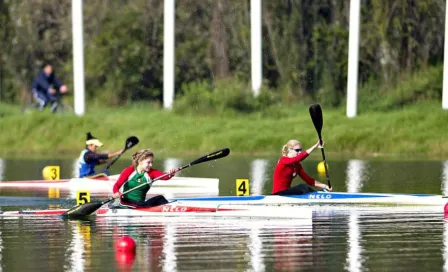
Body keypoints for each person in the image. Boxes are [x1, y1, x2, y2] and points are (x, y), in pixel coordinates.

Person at [112, 149, 179, 208]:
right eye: (148, 162)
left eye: (151, 162)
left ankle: (168, 210)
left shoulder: (151, 172)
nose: (151, 165)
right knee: (142, 204)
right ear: (140, 161)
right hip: (126, 203)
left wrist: (171, 174)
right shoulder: (129, 171)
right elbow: (117, 185)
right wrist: (116, 192)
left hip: (141, 204)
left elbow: (164, 176)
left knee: (160, 198)